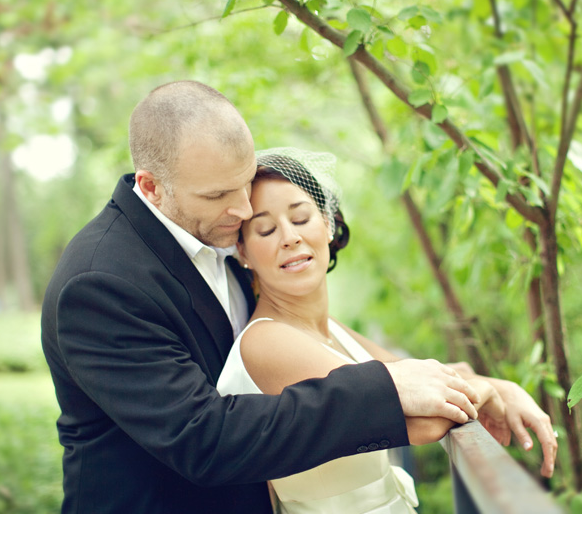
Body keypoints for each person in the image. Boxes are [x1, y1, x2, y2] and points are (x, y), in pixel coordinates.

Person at [40, 81, 483, 513]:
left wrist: (494, 387)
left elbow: (319, 336)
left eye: (245, 182)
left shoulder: (224, 235)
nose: (245, 209)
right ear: (152, 187)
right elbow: (202, 438)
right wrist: (383, 391)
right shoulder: (99, 283)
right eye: (217, 195)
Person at [216, 147, 559, 513]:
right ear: (243, 252)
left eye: (301, 219)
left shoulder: (331, 331)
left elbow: (428, 376)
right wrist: (488, 391)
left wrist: (508, 388)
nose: (289, 237)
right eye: (266, 229)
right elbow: (427, 419)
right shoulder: (268, 342)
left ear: (329, 224)